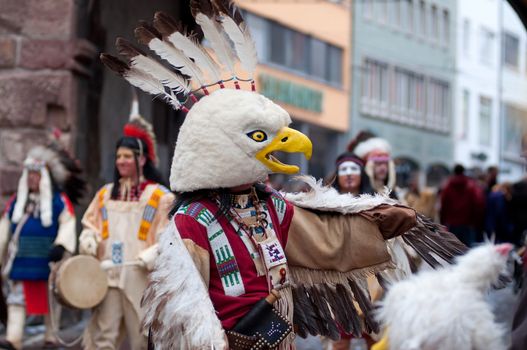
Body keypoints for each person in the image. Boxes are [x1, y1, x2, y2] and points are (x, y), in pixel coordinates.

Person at [102, 5, 466, 349]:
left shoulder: (270, 207)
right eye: (260, 137)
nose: (291, 143)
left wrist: (376, 224)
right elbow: (179, 315)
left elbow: (326, 239)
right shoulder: (190, 224)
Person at [79, 101, 174, 350]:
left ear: (141, 159)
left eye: (127, 156)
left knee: (142, 338)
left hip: (140, 277)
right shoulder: (104, 194)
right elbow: (91, 224)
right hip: (108, 274)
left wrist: (152, 255)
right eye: (118, 156)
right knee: (103, 337)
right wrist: (88, 239)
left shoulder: (159, 197)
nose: (121, 161)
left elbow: (169, 235)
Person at [0, 139, 85, 350]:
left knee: (50, 300)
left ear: (45, 177)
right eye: (29, 175)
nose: (32, 179)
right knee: (16, 299)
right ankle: (13, 338)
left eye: (36, 175)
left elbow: (67, 223)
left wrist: (61, 246)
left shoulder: (59, 201)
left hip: (47, 262)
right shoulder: (17, 202)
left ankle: (50, 337)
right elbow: (4, 227)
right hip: (22, 261)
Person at [440, 164, 485, 247]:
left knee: (452, 249)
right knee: (467, 251)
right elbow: (478, 204)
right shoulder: (471, 186)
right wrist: (475, 221)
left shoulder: (448, 186)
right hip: (467, 224)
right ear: (463, 172)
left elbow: (443, 205)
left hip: (452, 223)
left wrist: (443, 221)